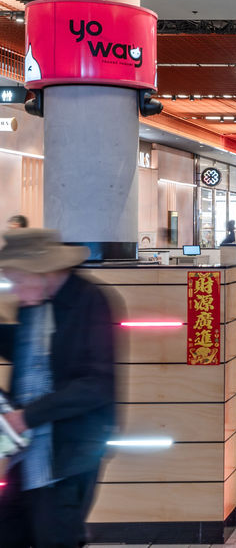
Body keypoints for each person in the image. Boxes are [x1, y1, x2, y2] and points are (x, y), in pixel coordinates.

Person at [0, 229, 118, 547]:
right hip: (27, 452)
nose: (15, 291)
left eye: (17, 280)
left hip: (68, 455)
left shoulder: (89, 301)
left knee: (55, 536)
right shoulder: (34, 303)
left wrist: (27, 417)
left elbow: (96, 384)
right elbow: (30, 358)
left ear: (42, 272)